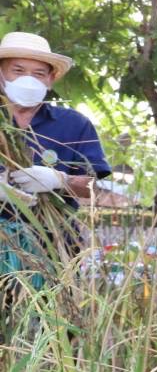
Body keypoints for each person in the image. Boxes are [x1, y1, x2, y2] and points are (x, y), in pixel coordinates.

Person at [1, 32, 110, 287]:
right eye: (18, 70)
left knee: (51, 322)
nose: (28, 80)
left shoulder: (74, 125)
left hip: (55, 247)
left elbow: (95, 189)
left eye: (39, 74)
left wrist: (60, 179)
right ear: (1, 74)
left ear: (50, 80)